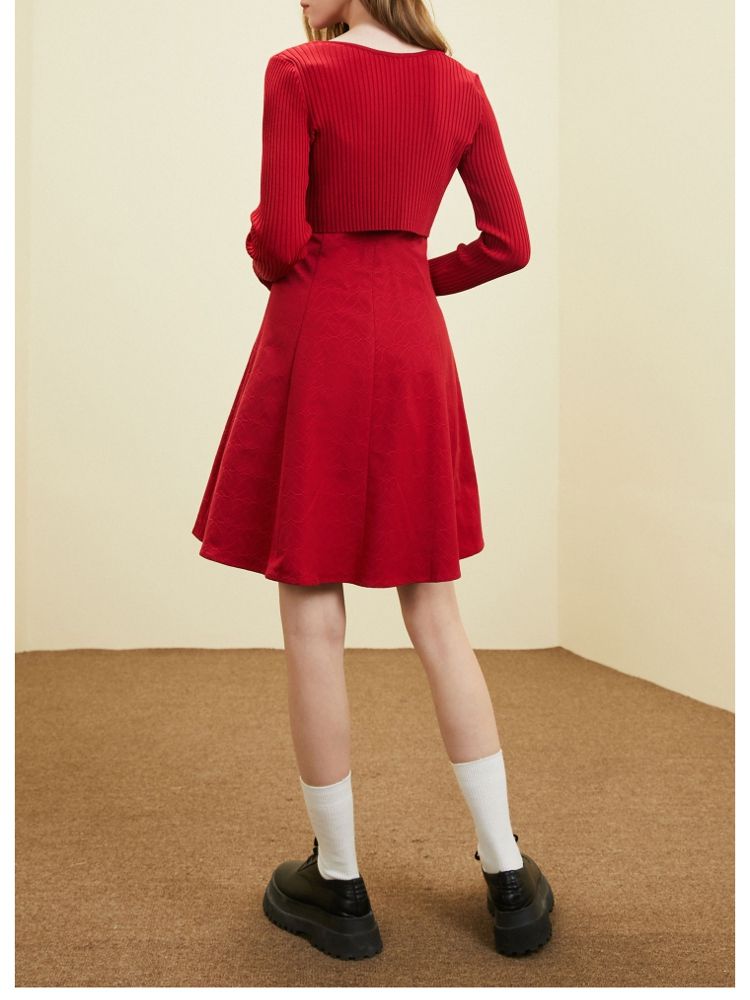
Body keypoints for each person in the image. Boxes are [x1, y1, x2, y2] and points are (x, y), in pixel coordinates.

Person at [192, 0, 554, 961]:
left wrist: (272, 245)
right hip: (411, 345)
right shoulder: (460, 85)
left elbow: (280, 239)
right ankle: (507, 874)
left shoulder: (299, 71)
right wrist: (410, 278)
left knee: (313, 611)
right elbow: (509, 242)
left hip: (320, 339)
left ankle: (341, 884)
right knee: (436, 611)